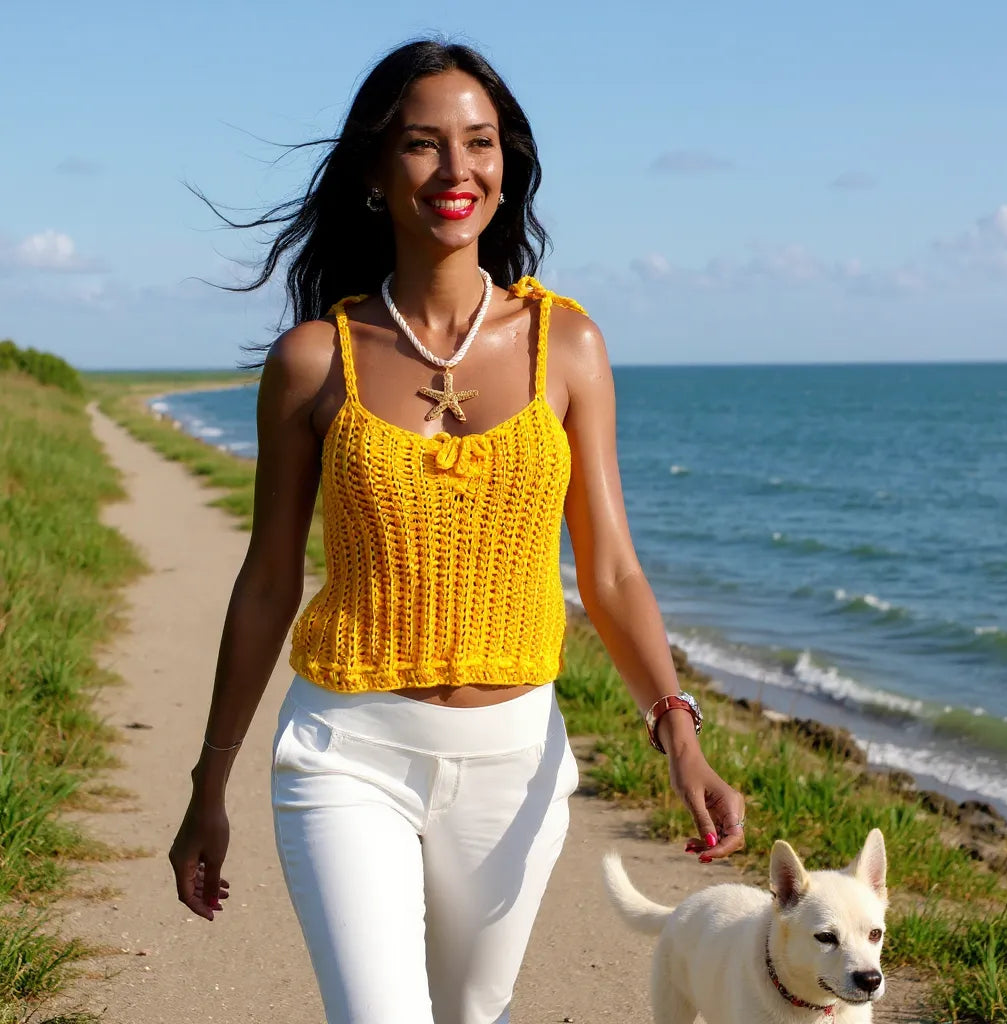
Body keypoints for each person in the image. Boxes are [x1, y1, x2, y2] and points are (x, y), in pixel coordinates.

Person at [169, 38, 745, 1024]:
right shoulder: (313, 361)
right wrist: (207, 783)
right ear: (372, 169)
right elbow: (268, 579)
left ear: (506, 165)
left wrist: (677, 732)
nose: (455, 170)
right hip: (346, 749)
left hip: (513, 761)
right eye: (422, 145)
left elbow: (608, 569)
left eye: (478, 143)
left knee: (470, 1014)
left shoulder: (569, 343)